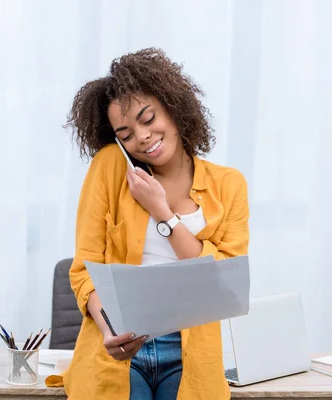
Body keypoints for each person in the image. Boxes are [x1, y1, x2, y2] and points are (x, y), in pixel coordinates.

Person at [56, 48, 249, 400]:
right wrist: (112, 331)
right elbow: (84, 270)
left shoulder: (229, 185)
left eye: (148, 118)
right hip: (120, 346)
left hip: (191, 354)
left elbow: (222, 283)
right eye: (126, 133)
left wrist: (163, 213)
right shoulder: (110, 167)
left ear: (174, 108)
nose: (142, 137)